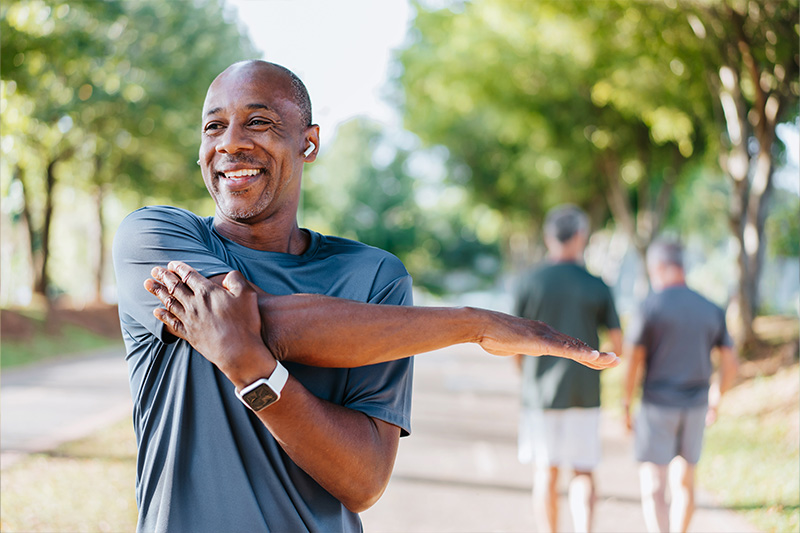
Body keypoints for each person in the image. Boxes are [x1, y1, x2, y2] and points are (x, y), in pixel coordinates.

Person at [113, 60, 619, 533]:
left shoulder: (374, 278)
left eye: (259, 122)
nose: (230, 143)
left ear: (309, 143)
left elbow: (363, 481)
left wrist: (256, 372)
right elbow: (255, 320)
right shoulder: (154, 237)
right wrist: (472, 324)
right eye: (213, 126)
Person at [513, 205, 622, 533]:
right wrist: (597, 369)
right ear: (580, 236)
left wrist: (526, 375)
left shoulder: (529, 282)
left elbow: (512, 343)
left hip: (540, 394)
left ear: (549, 237)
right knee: (584, 471)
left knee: (546, 472)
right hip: (584, 392)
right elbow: (617, 343)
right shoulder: (597, 284)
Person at [622, 239, 738, 533]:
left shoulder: (649, 306)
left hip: (657, 405)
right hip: (696, 406)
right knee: (685, 482)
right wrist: (716, 398)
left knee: (654, 484)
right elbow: (730, 364)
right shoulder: (710, 308)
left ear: (659, 267)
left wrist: (625, 404)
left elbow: (633, 361)